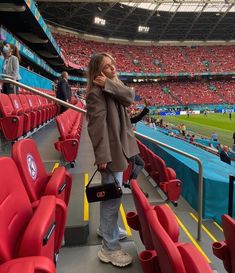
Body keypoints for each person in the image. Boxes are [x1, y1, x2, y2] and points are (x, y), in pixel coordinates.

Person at [86, 53, 139, 267]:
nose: (113, 68)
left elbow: (129, 97)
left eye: (113, 65)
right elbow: (96, 128)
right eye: (107, 67)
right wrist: (102, 157)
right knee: (112, 199)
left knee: (113, 194)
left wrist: (110, 82)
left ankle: (107, 230)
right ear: (97, 72)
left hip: (119, 148)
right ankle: (109, 248)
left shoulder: (112, 84)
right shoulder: (95, 93)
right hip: (111, 153)